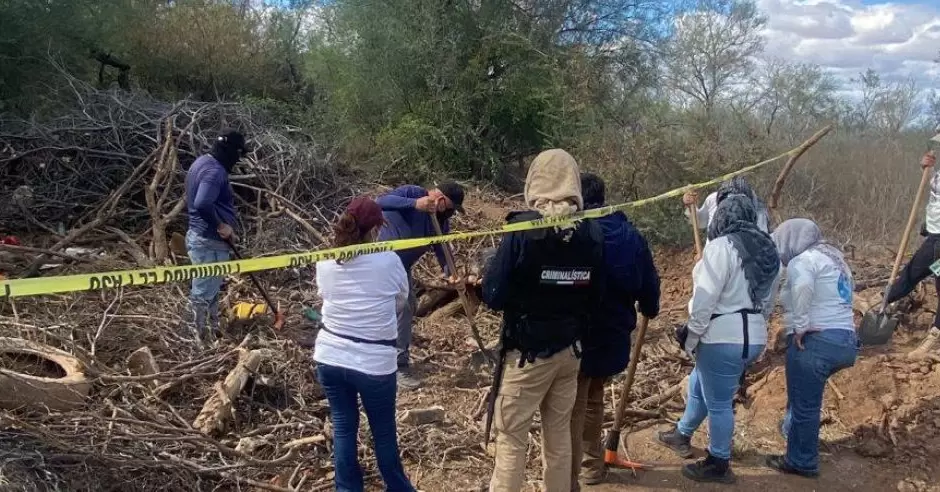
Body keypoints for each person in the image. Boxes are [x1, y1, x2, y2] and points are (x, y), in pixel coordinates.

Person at [483, 149, 606, 492]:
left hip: (528, 355)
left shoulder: (523, 228)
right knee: (559, 436)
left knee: (511, 439)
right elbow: (597, 295)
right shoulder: (592, 232)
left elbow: (494, 294)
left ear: (535, 181)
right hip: (570, 352)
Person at [656, 193, 780, 484]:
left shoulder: (722, 246)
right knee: (702, 382)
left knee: (720, 403)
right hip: (753, 334)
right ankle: (682, 433)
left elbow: (705, 301)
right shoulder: (768, 250)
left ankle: (719, 462)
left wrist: (690, 338)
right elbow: (768, 300)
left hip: (722, 336)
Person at [313, 196, 415, 492]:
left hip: (330, 355)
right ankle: (398, 488)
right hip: (374, 361)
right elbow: (401, 301)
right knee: (383, 432)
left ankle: (347, 489)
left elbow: (324, 296)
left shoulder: (325, 261)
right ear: (375, 229)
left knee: (343, 426)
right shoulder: (389, 260)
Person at [569, 173, 661, 490]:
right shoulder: (630, 235)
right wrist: (650, 306)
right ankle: (590, 468)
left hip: (574, 334)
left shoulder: (572, 232)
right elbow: (649, 280)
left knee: (571, 403)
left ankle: (570, 470)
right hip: (611, 333)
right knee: (592, 398)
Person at [765, 218, 858, 478]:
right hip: (845, 340)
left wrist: (801, 326)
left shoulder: (803, 260)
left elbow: (803, 286)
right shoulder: (834, 258)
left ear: (791, 240)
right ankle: (792, 433)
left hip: (817, 341)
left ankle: (801, 461)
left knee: (805, 406)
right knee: (803, 396)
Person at [376, 182, 465, 389]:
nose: (450, 212)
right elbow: (381, 202)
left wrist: (451, 273)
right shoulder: (412, 193)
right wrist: (415, 204)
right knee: (396, 309)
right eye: (449, 206)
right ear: (440, 198)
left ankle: (395, 361)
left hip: (402, 268)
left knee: (408, 308)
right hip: (380, 261)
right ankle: (392, 365)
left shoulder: (440, 222)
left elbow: (443, 250)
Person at [184, 129, 246, 343]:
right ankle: (195, 339)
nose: (239, 159)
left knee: (211, 289)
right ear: (230, 150)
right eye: (239, 153)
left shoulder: (202, 162)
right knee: (203, 291)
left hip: (203, 238)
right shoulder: (215, 171)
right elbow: (202, 203)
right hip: (209, 241)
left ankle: (212, 332)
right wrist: (221, 225)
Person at [883, 146, 940, 352]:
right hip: (934, 234)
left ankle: (934, 335)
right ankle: (883, 302)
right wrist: (926, 169)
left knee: (914, 274)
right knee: (916, 274)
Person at [683, 176, 771, 234]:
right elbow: (700, 222)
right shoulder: (713, 199)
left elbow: (762, 244)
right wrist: (690, 206)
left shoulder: (758, 210)